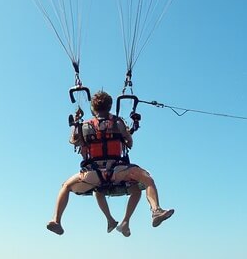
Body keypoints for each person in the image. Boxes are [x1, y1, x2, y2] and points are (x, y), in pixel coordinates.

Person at [47, 90, 174, 237]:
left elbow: (74, 141)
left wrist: (76, 124)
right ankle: (155, 210)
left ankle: (56, 220)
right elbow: (129, 143)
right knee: (147, 180)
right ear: (110, 106)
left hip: (93, 174)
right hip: (118, 171)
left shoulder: (85, 126)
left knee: (66, 186)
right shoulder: (118, 122)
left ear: (93, 108)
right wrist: (126, 132)